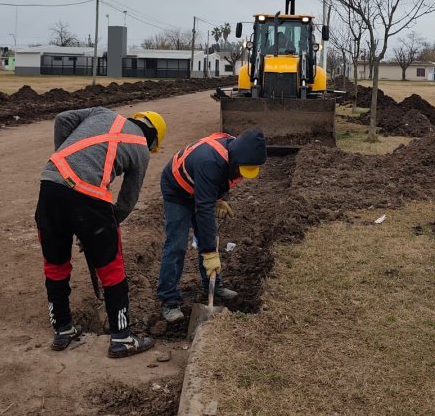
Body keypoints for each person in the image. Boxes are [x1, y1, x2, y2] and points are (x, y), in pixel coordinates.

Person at [35, 107, 167, 358]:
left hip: (50, 184)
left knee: (55, 264)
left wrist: (65, 162)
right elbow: (127, 201)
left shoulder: (101, 113)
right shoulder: (140, 148)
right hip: (89, 198)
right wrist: (103, 228)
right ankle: (122, 338)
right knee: (112, 269)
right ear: (153, 139)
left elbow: (62, 119)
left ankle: (63, 329)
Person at [156, 129, 267, 322]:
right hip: (178, 191)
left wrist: (220, 198)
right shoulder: (210, 162)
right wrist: (209, 253)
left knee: (210, 237)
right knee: (177, 245)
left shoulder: (236, 150)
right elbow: (204, 209)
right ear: (237, 158)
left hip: (201, 186)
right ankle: (169, 301)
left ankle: (214, 286)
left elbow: (223, 179)